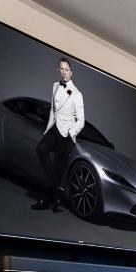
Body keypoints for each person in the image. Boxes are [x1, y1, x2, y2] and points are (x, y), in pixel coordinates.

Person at [34, 58, 85, 211]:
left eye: (67, 69)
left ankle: (48, 200)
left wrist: (70, 133)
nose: (64, 72)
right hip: (55, 129)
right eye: (61, 69)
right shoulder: (55, 86)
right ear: (58, 70)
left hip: (66, 135)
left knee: (58, 168)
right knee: (40, 149)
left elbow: (81, 121)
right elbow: (52, 110)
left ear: (71, 72)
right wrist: (48, 129)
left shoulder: (77, 94)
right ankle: (56, 197)